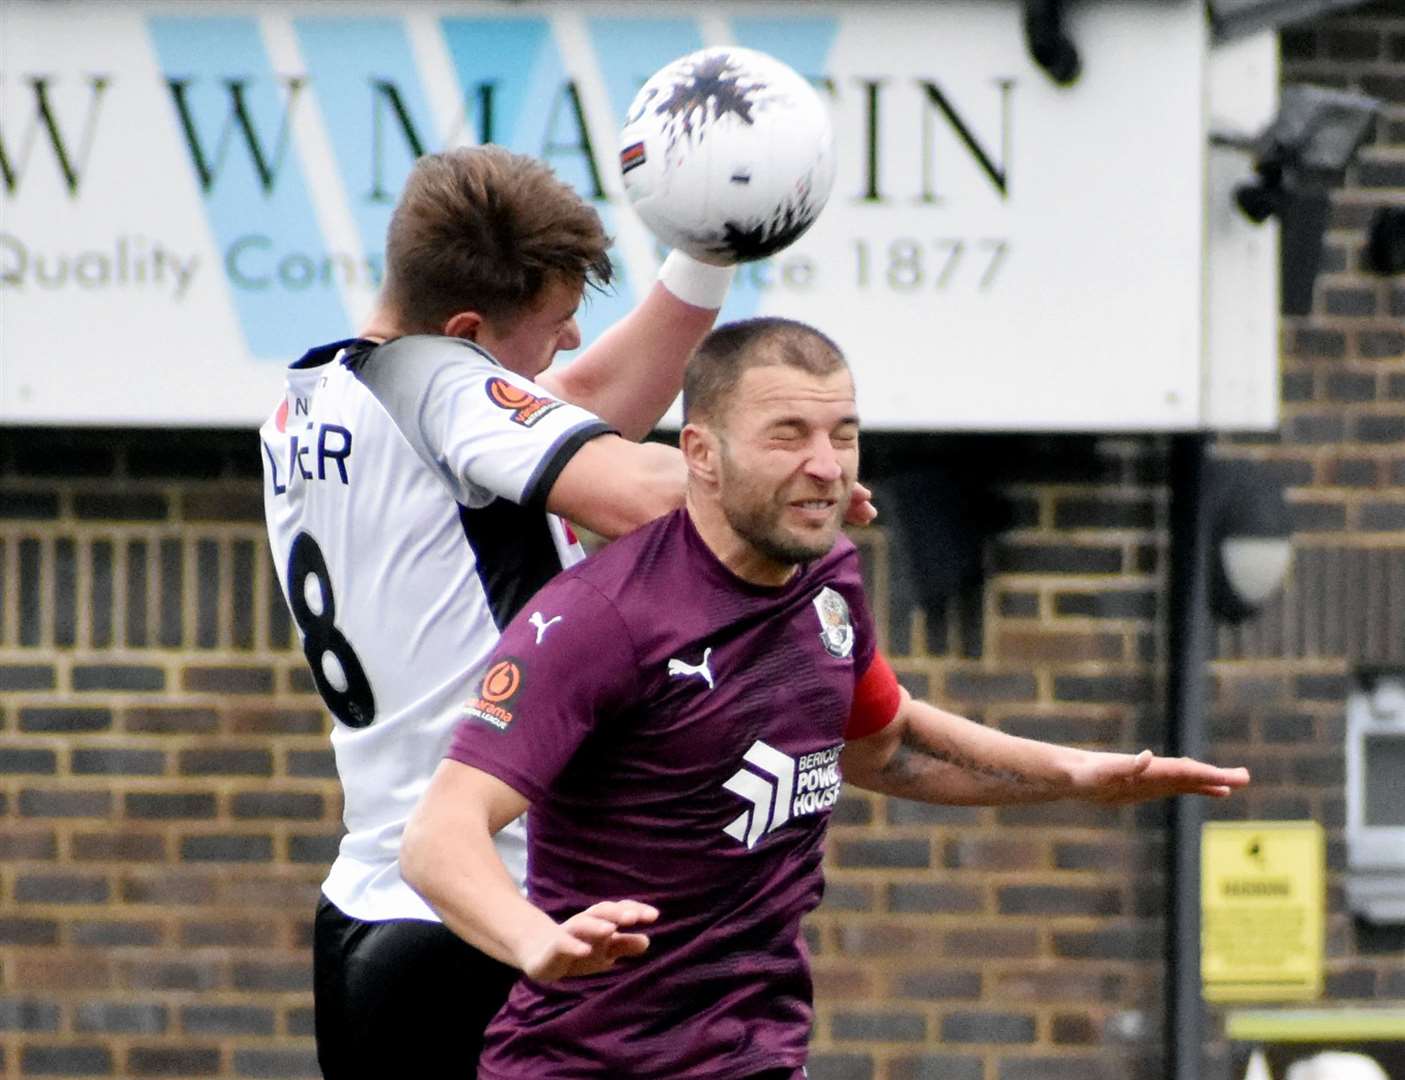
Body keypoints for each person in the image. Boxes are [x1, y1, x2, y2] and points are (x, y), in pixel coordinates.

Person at [400, 316, 1252, 1080]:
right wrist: (535, 940)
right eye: (788, 435)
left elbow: (885, 743)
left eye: (843, 435)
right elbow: (439, 837)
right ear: (701, 453)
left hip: (757, 1055)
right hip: (587, 1066)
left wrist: (1073, 774)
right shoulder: (602, 619)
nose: (825, 465)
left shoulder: (829, 578)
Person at [260, 147, 871, 1078]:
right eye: (552, 323)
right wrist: (779, 482)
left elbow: (579, 405)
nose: (573, 339)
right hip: (483, 911)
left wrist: (702, 255)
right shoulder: (433, 382)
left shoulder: (323, 395)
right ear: (463, 331)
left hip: (373, 906)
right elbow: (631, 489)